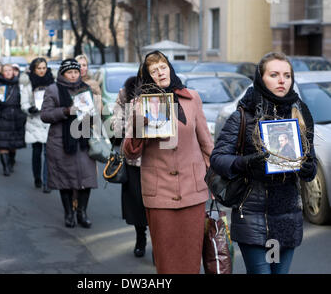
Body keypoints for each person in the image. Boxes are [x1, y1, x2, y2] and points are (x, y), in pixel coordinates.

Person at [210, 52, 317, 274]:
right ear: (261, 78)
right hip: (253, 215)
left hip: (287, 218)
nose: (282, 80)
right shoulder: (244, 115)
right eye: (274, 74)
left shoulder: (300, 113)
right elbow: (218, 159)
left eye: (287, 75)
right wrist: (247, 163)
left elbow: (310, 159)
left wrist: (309, 169)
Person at [123, 51, 214, 273]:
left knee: (191, 258)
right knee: (166, 260)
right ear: (147, 76)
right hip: (160, 192)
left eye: (162, 67)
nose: (160, 72)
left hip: (193, 189)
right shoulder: (139, 104)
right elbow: (130, 152)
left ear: (170, 68)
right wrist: (139, 126)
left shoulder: (191, 97)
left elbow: (206, 143)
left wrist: (214, 178)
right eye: (153, 70)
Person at [41, 58, 98, 229]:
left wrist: (93, 112)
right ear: (63, 74)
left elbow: (93, 114)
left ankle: (82, 212)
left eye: (75, 72)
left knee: (86, 178)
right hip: (61, 142)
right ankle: (68, 214)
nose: (73, 75)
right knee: (64, 180)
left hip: (83, 140)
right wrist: (66, 111)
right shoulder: (53, 89)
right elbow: (45, 115)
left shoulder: (85, 88)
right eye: (69, 72)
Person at [111, 75, 149, 258]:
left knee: (159, 204)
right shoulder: (126, 91)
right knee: (136, 202)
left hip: (160, 158)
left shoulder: (164, 93)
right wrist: (124, 129)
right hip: (134, 158)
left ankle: (159, 243)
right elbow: (115, 120)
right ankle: (140, 238)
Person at [20, 58, 55, 193]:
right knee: (36, 153)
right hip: (34, 122)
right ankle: (37, 178)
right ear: (34, 69)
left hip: (49, 121)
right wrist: (29, 109)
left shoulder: (53, 83)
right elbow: (24, 103)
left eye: (43, 68)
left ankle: (47, 182)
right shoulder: (28, 84)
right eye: (39, 68)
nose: (41, 71)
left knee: (49, 154)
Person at [0, 64, 26, 176]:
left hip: (17, 117)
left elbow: (24, 100)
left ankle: (11, 162)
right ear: (2, 73)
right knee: (3, 144)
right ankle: (5, 167)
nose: (8, 72)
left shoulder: (19, 84)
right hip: (3, 117)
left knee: (13, 144)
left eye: (10, 70)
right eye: (5, 70)